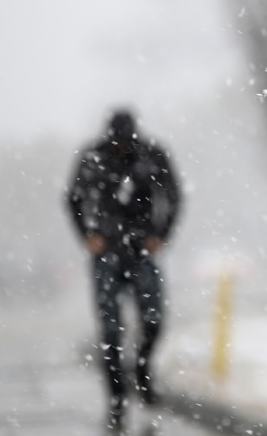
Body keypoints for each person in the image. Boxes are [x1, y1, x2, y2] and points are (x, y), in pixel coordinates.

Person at [66, 110, 182, 428]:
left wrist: (161, 233)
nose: (121, 148)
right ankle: (117, 399)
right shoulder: (93, 158)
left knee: (154, 320)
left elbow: (172, 195)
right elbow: (73, 198)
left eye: (125, 143)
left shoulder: (151, 155)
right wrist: (87, 235)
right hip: (106, 252)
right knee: (110, 331)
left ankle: (142, 369)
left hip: (142, 250)